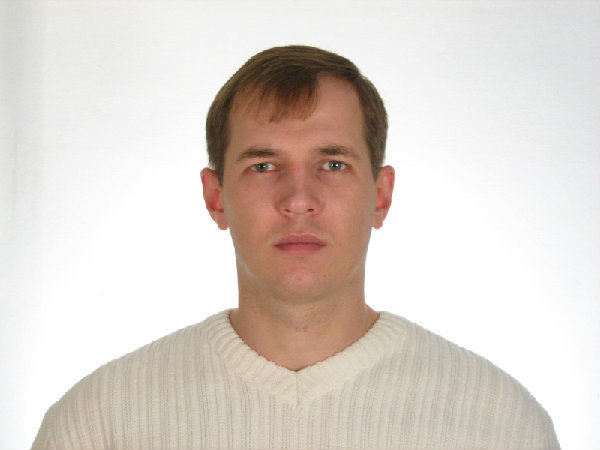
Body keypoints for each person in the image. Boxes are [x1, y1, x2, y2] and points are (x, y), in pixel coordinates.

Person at [32, 45, 560, 449]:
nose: (299, 200)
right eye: (263, 165)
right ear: (216, 198)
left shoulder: (497, 424)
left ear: (380, 196)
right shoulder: (100, 425)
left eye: (333, 164)